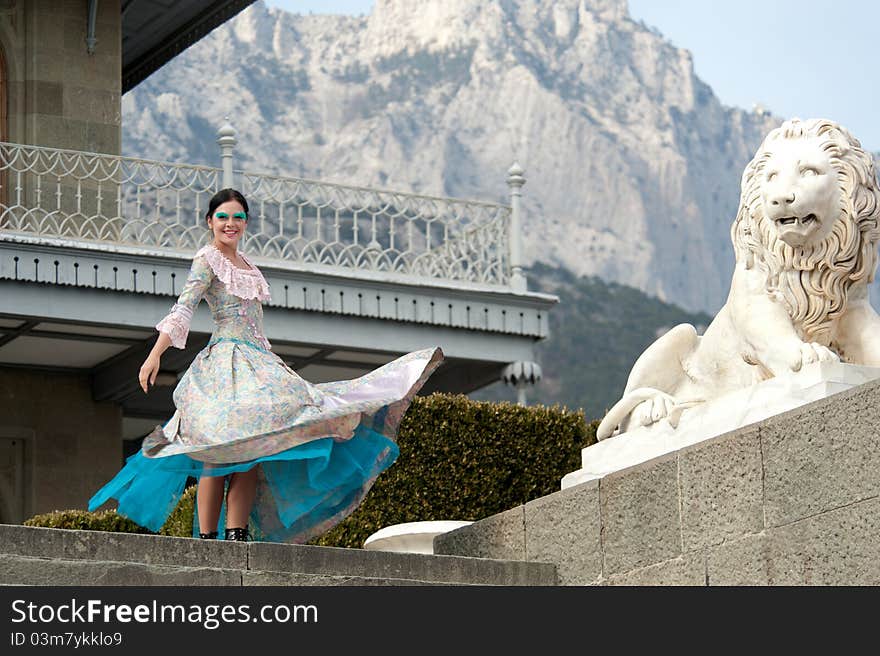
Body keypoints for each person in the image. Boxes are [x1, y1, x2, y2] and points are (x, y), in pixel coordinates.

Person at [89, 188, 443, 542]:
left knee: (257, 446)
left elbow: (255, 326)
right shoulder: (207, 258)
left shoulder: (249, 267)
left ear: (246, 223)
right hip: (225, 362)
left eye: (238, 217)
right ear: (209, 221)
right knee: (216, 451)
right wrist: (155, 354)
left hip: (258, 361)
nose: (231, 224)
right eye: (223, 217)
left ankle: (237, 533)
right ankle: (208, 538)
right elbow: (184, 307)